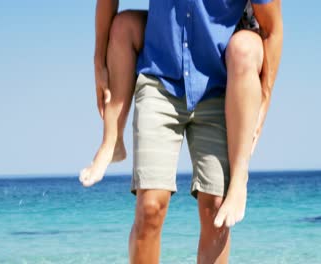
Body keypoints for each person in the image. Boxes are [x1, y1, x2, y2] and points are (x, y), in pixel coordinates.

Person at [81, 0, 283, 262]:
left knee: (216, 211)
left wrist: (263, 103)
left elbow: (272, 29)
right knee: (150, 208)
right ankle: (111, 141)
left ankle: (239, 178)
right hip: (161, 77)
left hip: (221, 84)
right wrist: (99, 61)